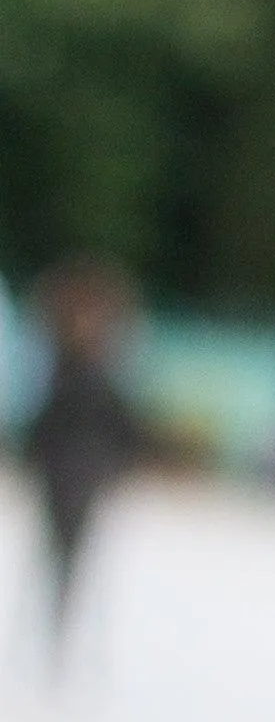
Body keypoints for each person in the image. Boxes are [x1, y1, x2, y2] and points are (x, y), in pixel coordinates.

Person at [17, 257, 148, 665]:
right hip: (66, 471)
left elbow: (118, 427)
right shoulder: (68, 369)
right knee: (56, 554)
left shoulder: (92, 372)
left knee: (69, 557)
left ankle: (60, 638)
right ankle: (53, 637)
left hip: (82, 472)